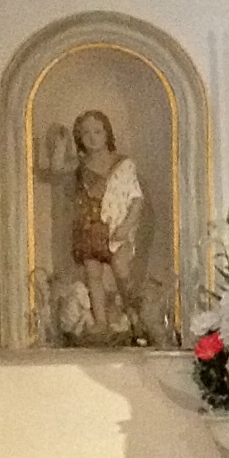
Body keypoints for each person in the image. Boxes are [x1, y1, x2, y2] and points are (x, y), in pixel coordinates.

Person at [67, 108, 148, 341]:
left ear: (106, 133)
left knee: (121, 272)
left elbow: (136, 199)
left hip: (115, 227)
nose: (92, 137)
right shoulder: (80, 168)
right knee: (93, 273)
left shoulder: (123, 164)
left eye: (97, 131)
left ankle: (135, 317)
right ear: (79, 137)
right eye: (85, 133)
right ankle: (100, 321)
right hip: (89, 225)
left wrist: (127, 224)